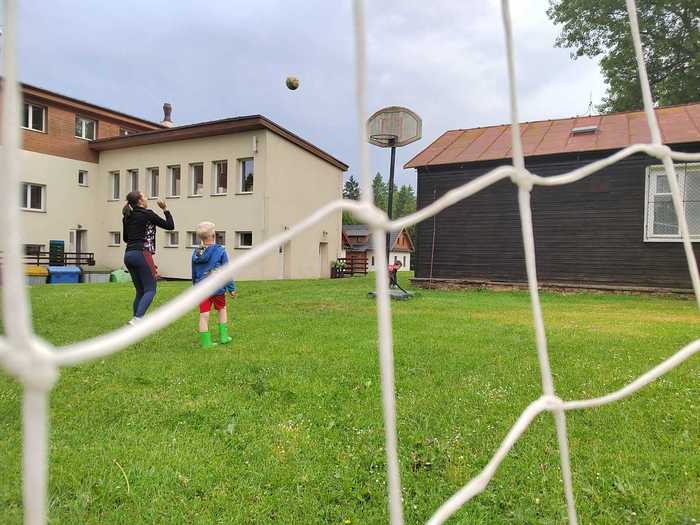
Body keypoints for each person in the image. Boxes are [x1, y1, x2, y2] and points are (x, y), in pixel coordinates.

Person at [122, 191, 175, 325]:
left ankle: (135, 321)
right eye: (144, 196)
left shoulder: (127, 216)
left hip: (128, 255)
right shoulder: (147, 214)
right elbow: (170, 226)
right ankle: (137, 319)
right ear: (140, 201)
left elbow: (126, 238)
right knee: (150, 289)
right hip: (142, 253)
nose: (146, 198)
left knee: (140, 291)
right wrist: (165, 209)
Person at [191, 221, 237, 348]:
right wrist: (231, 288)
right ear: (213, 235)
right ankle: (224, 337)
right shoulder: (220, 250)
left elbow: (194, 272)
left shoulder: (197, 252)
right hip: (217, 288)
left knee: (204, 315)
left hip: (201, 289)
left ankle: (206, 342)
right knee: (222, 310)